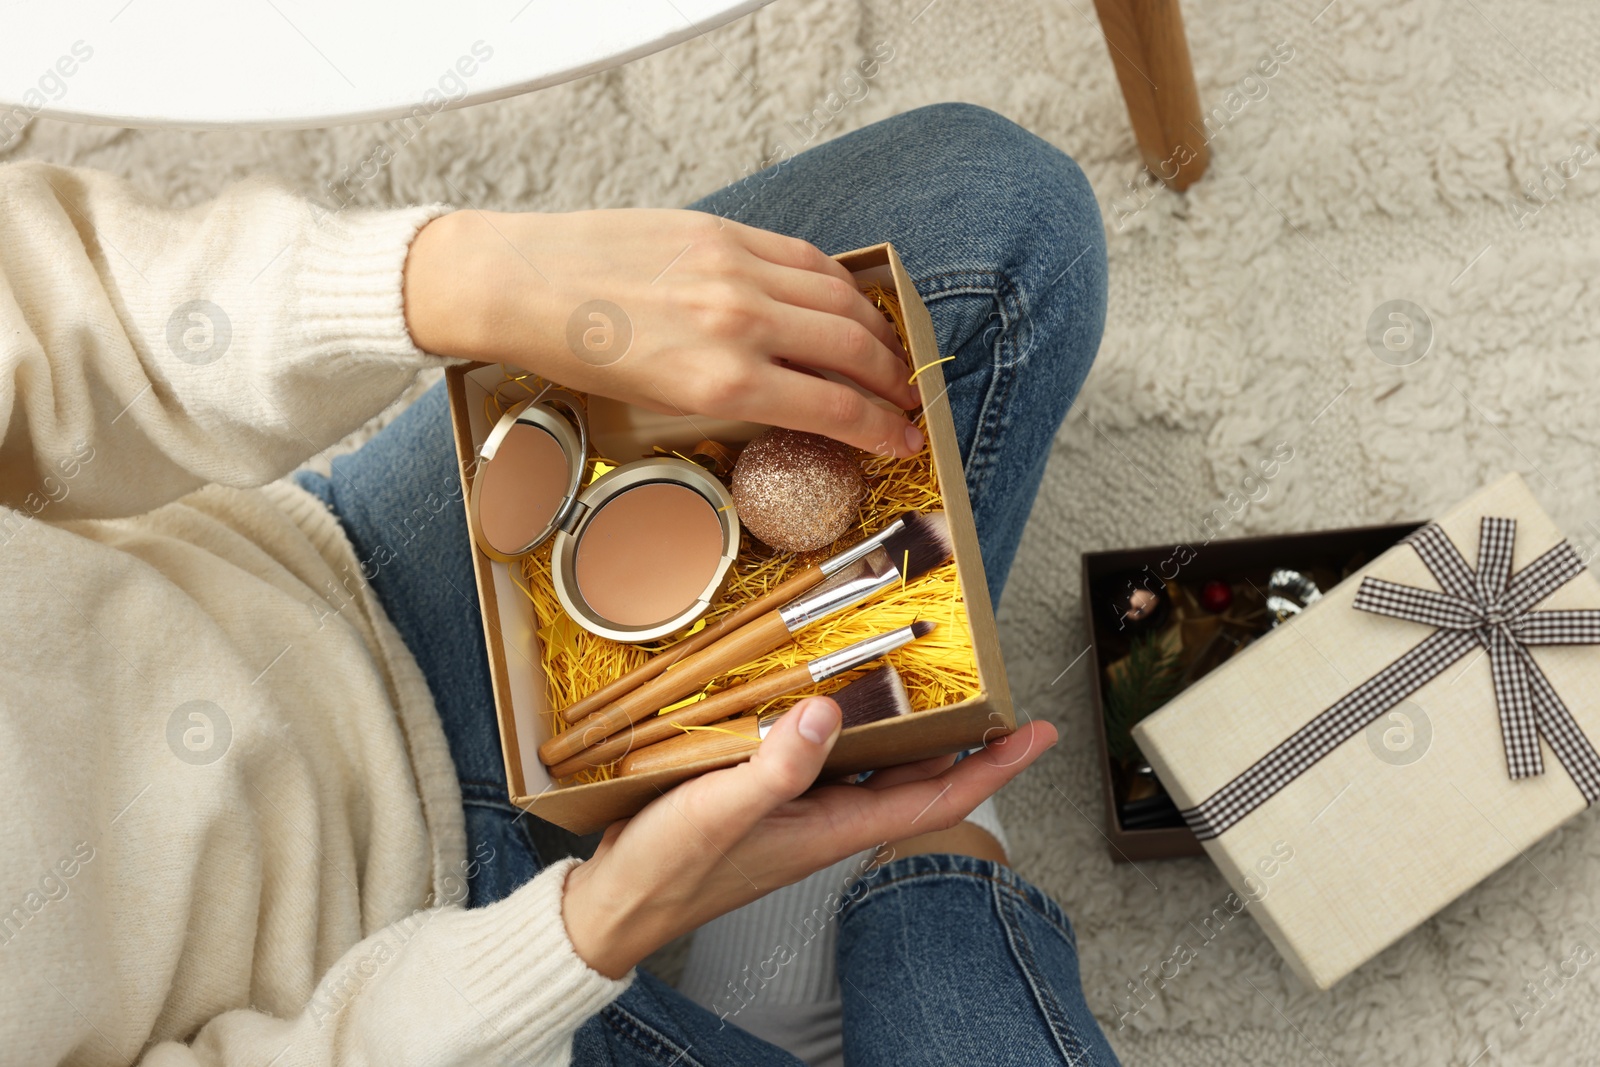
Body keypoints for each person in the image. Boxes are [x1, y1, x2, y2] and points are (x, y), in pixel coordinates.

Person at [0, 103, 1114, 1065]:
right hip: (376, 1013)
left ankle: (799, 871)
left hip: (321, 595)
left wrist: (471, 277)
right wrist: (586, 933)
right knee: (941, 895)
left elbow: (48, 307)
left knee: (1001, 222)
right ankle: (902, 868)